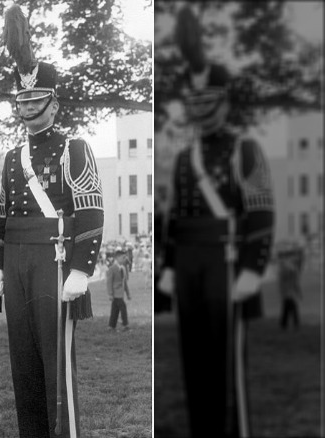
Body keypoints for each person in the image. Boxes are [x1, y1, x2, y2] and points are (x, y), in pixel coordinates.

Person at [156, 8, 274, 437]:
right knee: (196, 362)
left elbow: (261, 211)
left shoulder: (246, 149)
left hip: (227, 261)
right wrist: (168, 266)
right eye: (195, 102)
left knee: (227, 366)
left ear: (225, 101)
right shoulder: (186, 157)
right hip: (187, 262)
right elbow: (174, 217)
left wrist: (252, 268)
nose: (202, 109)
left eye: (210, 101)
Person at [0, 60, 104, 436]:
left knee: (56, 362)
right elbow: (3, 216)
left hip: (54, 260)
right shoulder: (11, 157)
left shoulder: (75, 149)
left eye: (36, 99)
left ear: (53, 104)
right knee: (22, 359)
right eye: (23, 100)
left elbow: (91, 211)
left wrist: (81, 269)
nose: (28, 107)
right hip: (18, 258)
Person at [277, 245, 303, 330]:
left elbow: (281, 280)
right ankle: (295, 324)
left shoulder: (285, 266)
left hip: (286, 291)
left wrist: (282, 290)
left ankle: (284, 324)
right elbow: (295, 282)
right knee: (293, 308)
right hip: (289, 291)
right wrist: (299, 292)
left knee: (286, 308)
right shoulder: (292, 268)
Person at [106, 250, 131, 331]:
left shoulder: (123, 268)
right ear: (117, 258)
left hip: (121, 293)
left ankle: (111, 326)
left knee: (115, 310)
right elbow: (109, 282)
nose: (125, 259)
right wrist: (110, 294)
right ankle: (125, 325)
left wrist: (128, 293)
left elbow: (124, 282)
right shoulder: (112, 269)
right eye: (123, 257)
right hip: (115, 294)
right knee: (123, 308)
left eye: (125, 257)